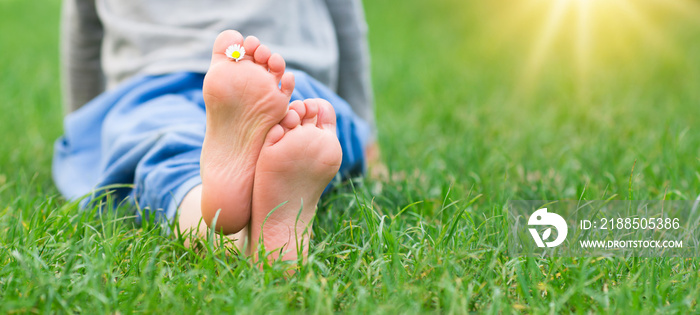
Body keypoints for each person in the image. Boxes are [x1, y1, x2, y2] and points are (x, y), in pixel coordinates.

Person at [53, 0, 378, 263]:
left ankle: (230, 236)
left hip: (152, 88)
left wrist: (84, 125)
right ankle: (277, 222)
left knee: (172, 163)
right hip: (288, 82)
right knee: (309, 129)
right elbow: (346, 19)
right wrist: (370, 145)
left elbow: (83, 30)